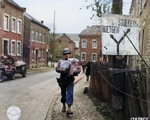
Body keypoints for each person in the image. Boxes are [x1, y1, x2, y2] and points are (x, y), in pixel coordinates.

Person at [56, 48, 80, 116]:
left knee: (70, 93)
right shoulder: (60, 61)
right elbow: (57, 68)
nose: (67, 55)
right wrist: (61, 70)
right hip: (63, 80)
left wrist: (76, 72)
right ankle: (64, 104)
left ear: (69, 54)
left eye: (68, 54)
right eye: (65, 54)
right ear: (63, 55)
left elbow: (78, 69)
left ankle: (69, 109)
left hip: (70, 80)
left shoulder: (74, 61)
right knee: (63, 94)